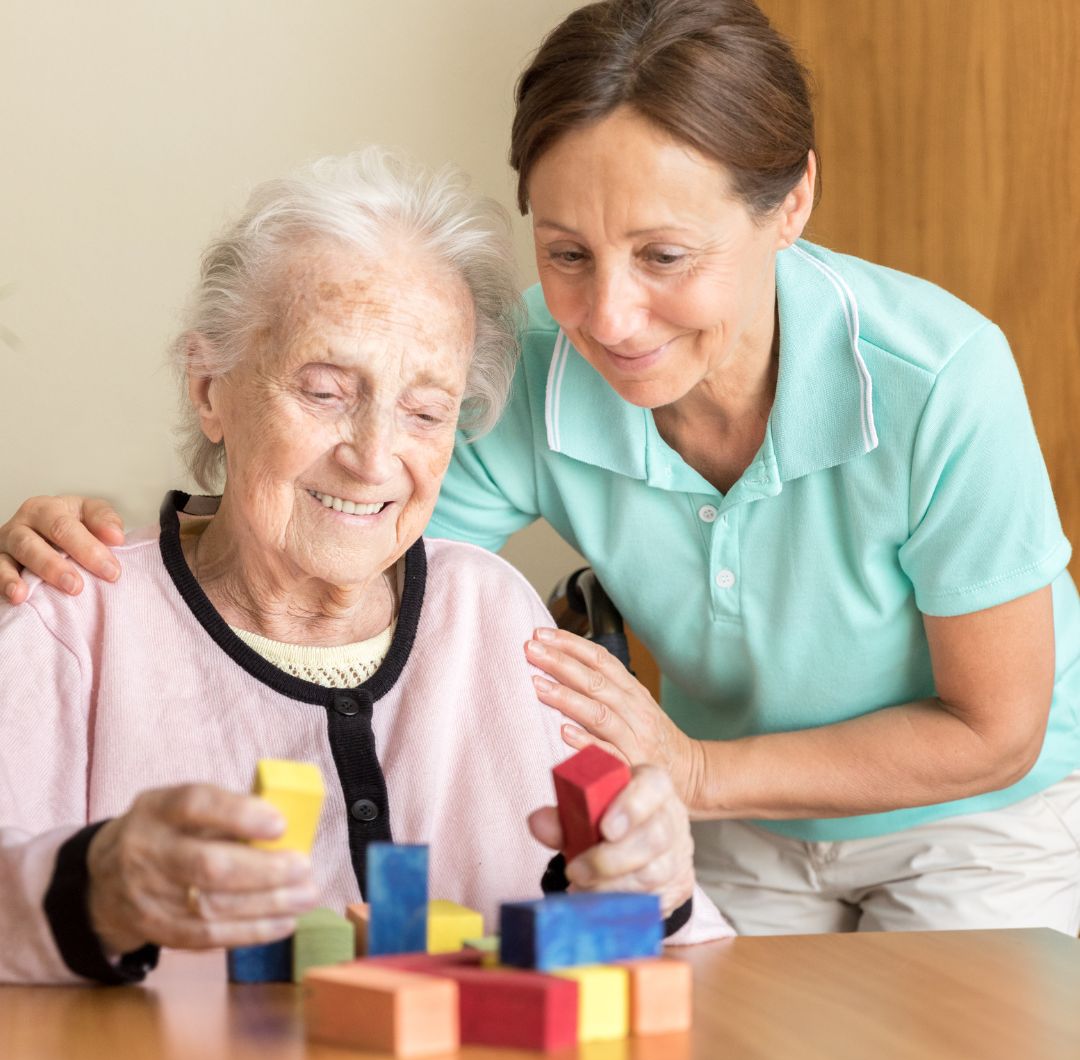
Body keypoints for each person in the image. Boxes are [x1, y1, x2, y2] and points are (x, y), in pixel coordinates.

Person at [4, 0, 1079, 937]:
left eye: (663, 255)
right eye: (567, 252)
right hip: (736, 819)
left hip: (973, 816)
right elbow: (352, 547)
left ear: (790, 204)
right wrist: (133, 560)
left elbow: (994, 729)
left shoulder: (936, 376)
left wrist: (692, 773)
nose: (608, 318)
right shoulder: (524, 364)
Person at [0, 148, 730, 985]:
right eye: (324, 392)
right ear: (210, 388)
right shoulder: (72, 611)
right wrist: (95, 893)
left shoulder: (493, 616)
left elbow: (667, 956)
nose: (375, 458)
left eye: (426, 410)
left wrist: (654, 880)